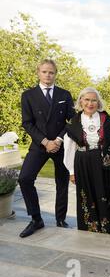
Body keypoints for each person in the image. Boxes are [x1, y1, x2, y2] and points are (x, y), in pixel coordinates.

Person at [18, 59, 75, 238]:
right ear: (38, 72)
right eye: (44, 72)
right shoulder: (28, 95)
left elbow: (72, 121)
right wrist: (44, 141)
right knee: (25, 178)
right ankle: (36, 219)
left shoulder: (64, 94)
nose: (47, 75)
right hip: (39, 144)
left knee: (62, 182)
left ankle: (60, 219)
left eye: (51, 72)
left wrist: (58, 140)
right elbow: (27, 123)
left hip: (60, 144)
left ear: (55, 74)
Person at [63, 87, 110, 235]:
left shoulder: (105, 118)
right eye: (86, 100)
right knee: (88, 194)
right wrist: (71, 171)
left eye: (94, 100)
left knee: (106, 193)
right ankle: (91, 227)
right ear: (80, 101)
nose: (90, 103)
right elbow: (69, 147)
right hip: (83, 162)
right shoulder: (74, 121)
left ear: (98, 103)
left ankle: (109, 227)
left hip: (105, 163)